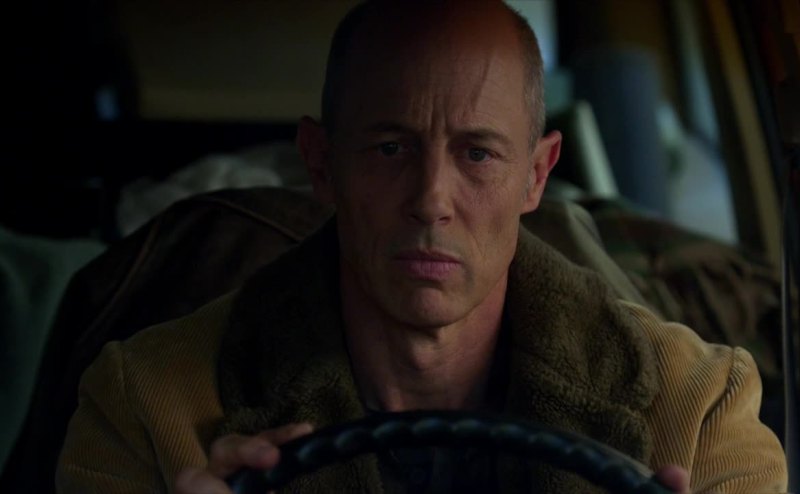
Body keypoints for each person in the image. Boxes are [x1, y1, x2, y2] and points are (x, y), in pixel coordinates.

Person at [56, 1, 787, 493]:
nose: (432, 199)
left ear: (536, 175)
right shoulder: (145, 407)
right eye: (389, 148)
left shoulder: (699, 411)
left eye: (477, 154)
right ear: (320, 163)